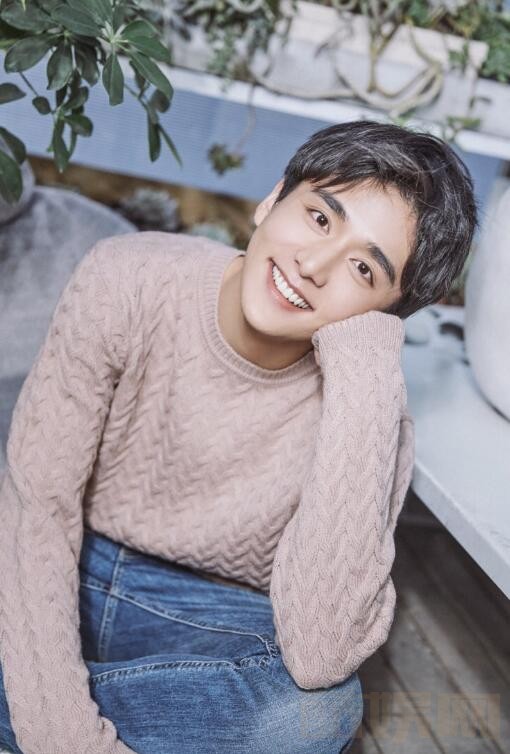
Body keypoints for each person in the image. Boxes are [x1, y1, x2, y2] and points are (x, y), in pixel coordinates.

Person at [0, 119, 478, 754]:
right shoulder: (128, 277)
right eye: (319, 218)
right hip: (62, 557)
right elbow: (37, 509)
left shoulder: (368, 406)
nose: (313, 266)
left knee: (317, 714)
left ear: (388, 314)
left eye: (364, 269)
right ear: (273, 198)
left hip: (202, 612)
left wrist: (364, 373)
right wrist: (67, 739)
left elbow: (320, 652)